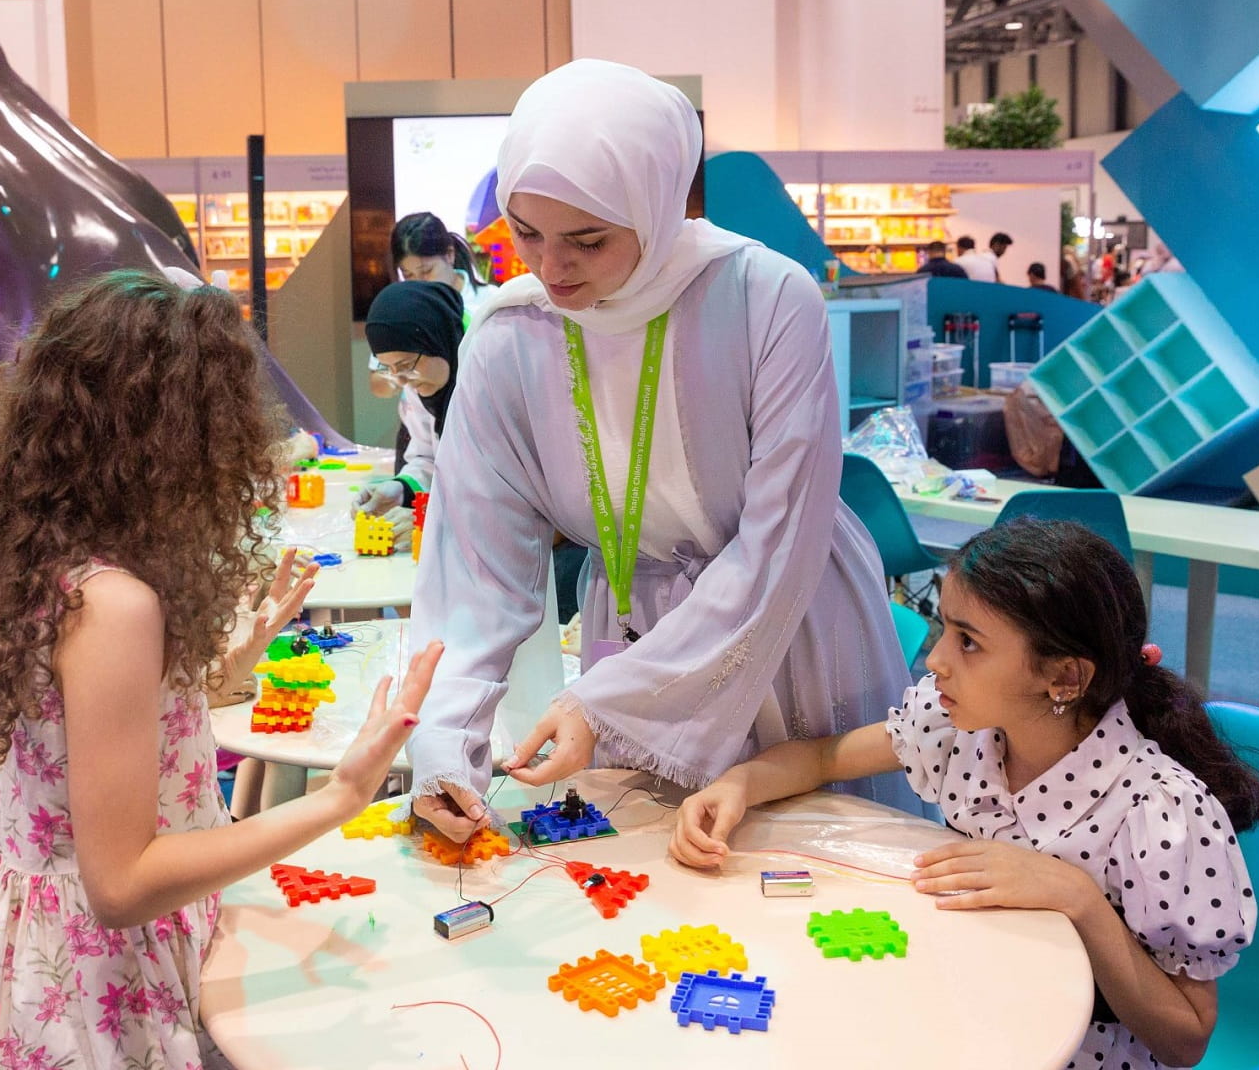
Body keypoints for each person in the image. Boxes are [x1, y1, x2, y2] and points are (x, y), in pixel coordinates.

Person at [0, 270, 442, 1070]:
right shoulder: (113, 604)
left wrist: (228, 665)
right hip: (92, 979)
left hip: (32, 946)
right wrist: (339, 796)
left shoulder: (43, 556)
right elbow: (122, 884)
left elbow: (90, 736)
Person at [404, 59, 911, 841]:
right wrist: (446, 743)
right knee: (649, 880)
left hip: (789, 624)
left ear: (659, 202)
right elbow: (475, 566)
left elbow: (780, 539)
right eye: (526, 232)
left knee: (809, 874)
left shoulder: (767, 300)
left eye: (588, 240)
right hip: (629, 625)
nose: (550, 267)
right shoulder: (512, 336)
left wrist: (612, 701)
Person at [670, 519, 1259, 1070]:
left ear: (1064, 677)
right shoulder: (962, 727)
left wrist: (1078, 898)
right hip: (969, 1003)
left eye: (969, 642)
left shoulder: (1159, 812)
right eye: (945, 629)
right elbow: (823, 758)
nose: (935, 660)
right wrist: (738, 784)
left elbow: (1185, 1039)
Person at [352, 280, 463, 520]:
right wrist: (401, 488)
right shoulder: (419, 389)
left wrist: (430, 520)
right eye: (389, 369)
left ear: (437, 341)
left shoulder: (485, 387)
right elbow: (427, 458)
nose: (401, 381)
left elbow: (495, 489)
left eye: (405, 365)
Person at [392, 211, 493, 319]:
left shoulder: (491, 301)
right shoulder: (406, 310)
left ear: (449, 254)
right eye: (408, 275)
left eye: (426, 271)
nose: (419, 284)